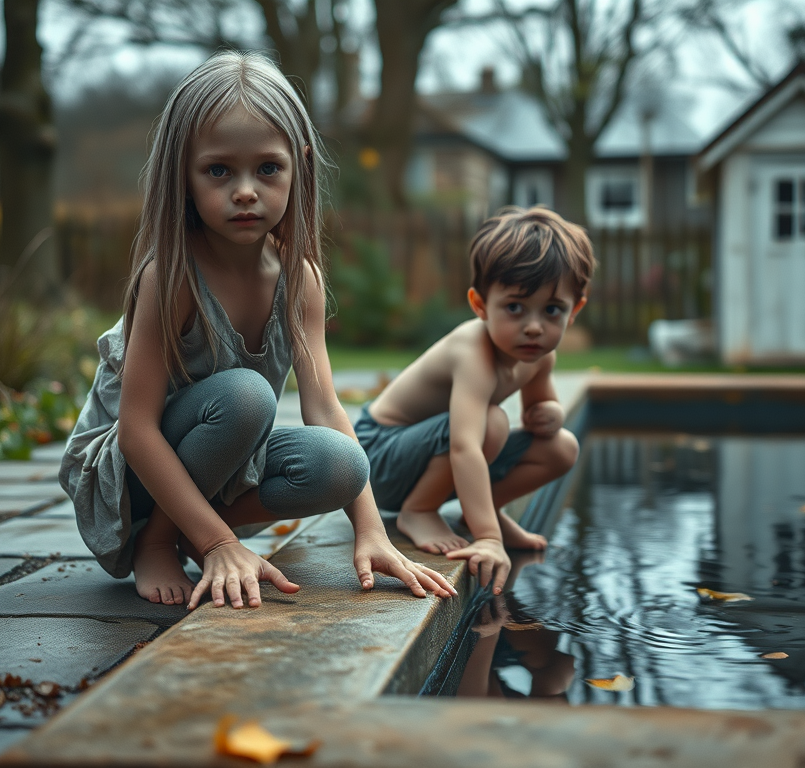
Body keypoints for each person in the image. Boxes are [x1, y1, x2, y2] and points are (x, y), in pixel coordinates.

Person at [59, 51, 455, 611]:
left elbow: (325, 408)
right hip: (126, 479)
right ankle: (161, 542)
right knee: (247, 396)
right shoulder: (172, 276)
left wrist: (372, 531)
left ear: (299, 165)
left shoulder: (299, 278)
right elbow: (136, 431)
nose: (245, 191)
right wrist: (221, 544)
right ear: (182, 173)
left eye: (268, 169)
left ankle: (195, 532)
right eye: (219, 170)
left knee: (342, 463)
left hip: (219, 462)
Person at [355, 206, 594, 595]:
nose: (534, 327)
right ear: (480, 305)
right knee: (492, 423)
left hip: (429, 458)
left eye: (552, 310)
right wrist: (489, 540)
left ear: (574, 311)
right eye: (514, 308)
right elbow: (465, 445)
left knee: (562, 447)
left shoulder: (539, 357)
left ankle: (481, 512)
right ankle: (420, 511)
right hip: (377, 458)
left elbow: (538, 413)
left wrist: (548, 413)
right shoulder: (473, 350)